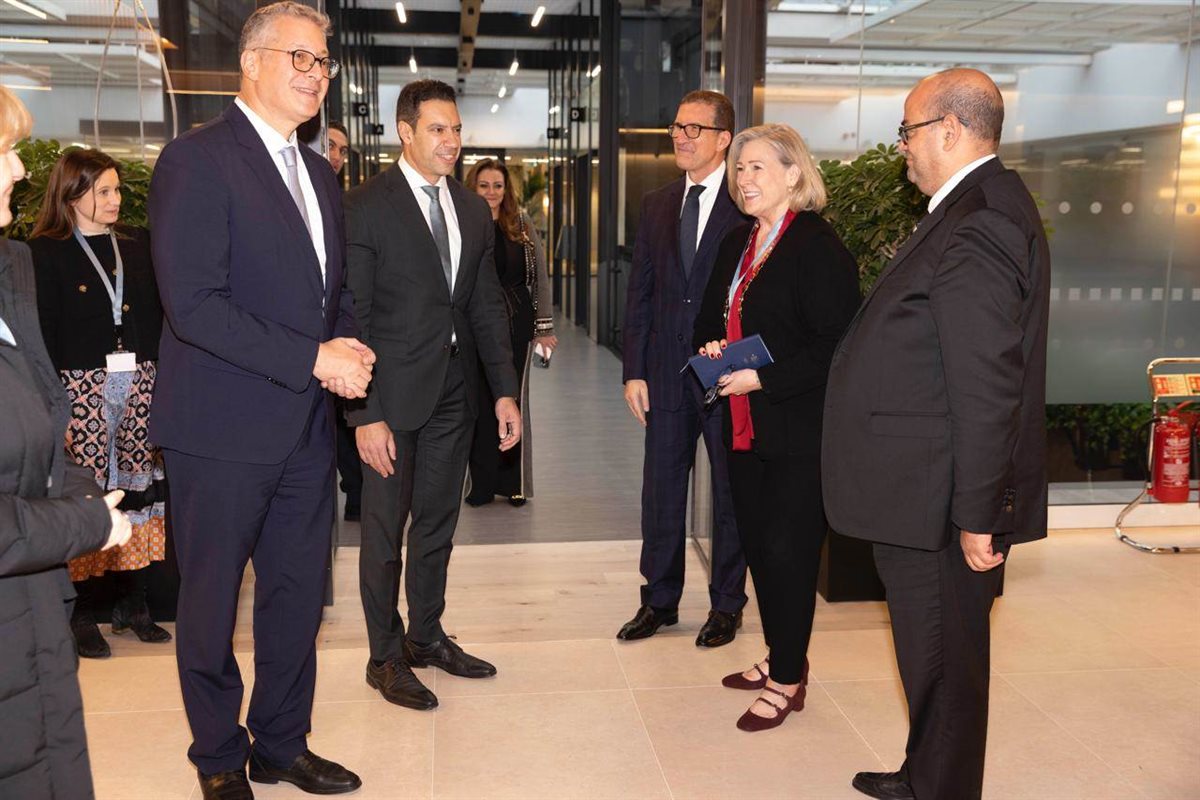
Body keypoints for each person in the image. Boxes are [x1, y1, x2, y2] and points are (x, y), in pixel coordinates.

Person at [148, 3, 370, 797]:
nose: (316, 75)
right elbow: (194, 306)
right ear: (250, 62)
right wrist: (314, 357)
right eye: (298, 57)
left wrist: (348, 347)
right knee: (210, 607)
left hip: (304, 430)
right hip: (219, 430)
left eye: (323, 61)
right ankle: (217, 758)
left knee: (295, 598)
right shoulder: (196, 160)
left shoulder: (319, 173)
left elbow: (331, 292)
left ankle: (281, 742)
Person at [823, 69, 1049, 800]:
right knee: (931, 658)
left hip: (943, 498)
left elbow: (988, 383)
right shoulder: (970, 207)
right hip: (925, 488)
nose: (902, 148)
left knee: (945, 663)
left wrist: (980, 511)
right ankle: (925, 773)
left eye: (907, 131)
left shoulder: (982, 219)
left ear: (949, 130)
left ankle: (940, 787)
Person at [345, 79, 521, 711]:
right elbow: (353, 314)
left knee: (438, 523)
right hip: (389, 397)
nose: (452, 141)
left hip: (455, 392)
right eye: (438, 129)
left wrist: (504, 390)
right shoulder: (365, 205)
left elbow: (484, 304)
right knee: (383, 531)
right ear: (406, 132)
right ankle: (384, 657)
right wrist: (364, 414)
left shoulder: (473, 209)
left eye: (457, 130)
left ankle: (425, 636)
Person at [694, 123, 860, 731]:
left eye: (757, 167)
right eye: (739, 168)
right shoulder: (739, 242)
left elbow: (836, 345)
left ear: (793, 174)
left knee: (789, 555)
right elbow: (711, 318)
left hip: (797, 431)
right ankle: (780, 654)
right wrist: (713, 347)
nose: (744, 178)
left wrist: (762, 379)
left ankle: (788, 679)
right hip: (745, 429)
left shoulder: (816, 246)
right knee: (762, 552)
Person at [0, 85, 133, 800]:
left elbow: (39, 439)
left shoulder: (9, 271)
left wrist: (79, 489)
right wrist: (86, 521)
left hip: (30, 626)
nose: (21, 169)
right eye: (5, 150)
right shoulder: (38, 260)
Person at [617, 90, 749, 648]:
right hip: (667, 372)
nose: (681, 137)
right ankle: (659, 600)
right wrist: (634, 370)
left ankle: (727, 604)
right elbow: (641, 291)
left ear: (724, 139)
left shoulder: (746, 202)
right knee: (661, 492)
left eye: (694, 128)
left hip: (725, 374)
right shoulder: (658, 203)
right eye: (677, 126)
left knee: (730, 493)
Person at [29, 148, 171, 660]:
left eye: (117, 190)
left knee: (138, 485)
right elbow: (40, 333)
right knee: (87, 494)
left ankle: (135, 602)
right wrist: (52, 403)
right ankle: (82, 611)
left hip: (141, 380)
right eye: (103, 191)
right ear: (72, 195)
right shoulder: (43, 253)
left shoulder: (137, 244)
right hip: (78, 387)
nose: (115, 200)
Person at [463, 158, 555, 507]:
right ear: (473, 187)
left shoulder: (521, 224)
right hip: (473, 325)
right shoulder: (463, 222)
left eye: (498, 186)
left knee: (513, 399)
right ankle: (481, 484)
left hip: (517, 324)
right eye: (484, 185)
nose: (491, 192)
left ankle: (513, 483)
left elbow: (540, 277)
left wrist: (544, 327)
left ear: (507, 190)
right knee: (479, 403)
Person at [323, 120, 362, 521]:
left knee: (346, 416)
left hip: (346, 324)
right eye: (330, 145)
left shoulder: (346, 202)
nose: (336, 156)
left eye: (342, 150)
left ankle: (355, 491)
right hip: (307, 339)